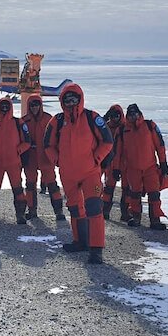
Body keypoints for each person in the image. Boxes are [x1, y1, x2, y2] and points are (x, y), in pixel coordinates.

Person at [44, 83, 113, 264]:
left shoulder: (92, 118)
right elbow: (47, 145)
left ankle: (96, 250)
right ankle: (80, 242)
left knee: (94, 209)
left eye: (74, 98)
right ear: (62, 101)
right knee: (75, 209)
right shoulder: (57, 121)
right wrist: (57, 160)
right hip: (68, 175)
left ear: (80, 99)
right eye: (67, 99)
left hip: (90, 173)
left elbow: (107, 141)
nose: (70, 102)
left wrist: (96, 159)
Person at [115, 104, 168, 230]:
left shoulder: (150, 126)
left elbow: (159, 145)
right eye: (130, 114)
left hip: (150, 168)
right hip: (132, 169)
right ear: (127, 116)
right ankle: (136, 218)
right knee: (134, 195)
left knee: (154, 194)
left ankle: (155, 220)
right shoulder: (122, 130)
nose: (133, 117)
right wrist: (116, 168)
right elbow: (117, 152)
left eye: (135, 114)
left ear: (139, 114)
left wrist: (163, 163)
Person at [0, 97, 32, 224]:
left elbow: (27, 141)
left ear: (10, 107)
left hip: (13, 163)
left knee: (18, 190)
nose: (4, 109)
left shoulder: (18, 123)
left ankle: (20, 215)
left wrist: (18, 150)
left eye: (7, 106)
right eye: (2, 106)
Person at [21, 94, 66, 221]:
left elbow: (57, 138)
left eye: (36, 104)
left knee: (52, 184)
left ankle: (59, 211)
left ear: (40, 105)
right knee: (30, 184)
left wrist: (57, 155)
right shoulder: (24, 121)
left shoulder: (49, 119)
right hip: (30, 156)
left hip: (46, 156)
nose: (34, 107)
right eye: (32, 105)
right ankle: (32, 210)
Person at [101, 104, 128, 220]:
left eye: (117, 116)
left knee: (127, 189)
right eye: (112, 116)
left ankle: (125, 213)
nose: (115, 118)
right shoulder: (106, 128)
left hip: (125, 162)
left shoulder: (126, 128)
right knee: (108, 188)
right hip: (110, 162)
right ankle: (105, 211)